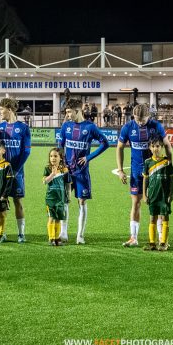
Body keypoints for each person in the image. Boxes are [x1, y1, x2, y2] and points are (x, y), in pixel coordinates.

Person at [117, 104, 172, 247]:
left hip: (155, 171)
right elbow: (120, 147)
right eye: (137, 119)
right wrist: (120, 170)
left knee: (158, 203)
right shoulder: (128, 127)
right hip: (136, 172)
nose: (140, 122)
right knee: (136, 202)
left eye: (143, 119)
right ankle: (133, 237)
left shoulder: (156, 126)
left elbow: (167, 145)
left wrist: (168, 164)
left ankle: (161, 238)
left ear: (149, 116)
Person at [58, 99, 108, 244]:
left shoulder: (90, 127)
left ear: (77, 111)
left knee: (82, 201)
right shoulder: (66, 126)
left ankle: (80, 235)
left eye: (69, 112)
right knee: (65, 201)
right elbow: (60, 145)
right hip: (67, 170)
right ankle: (64, 232)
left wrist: (89, 157)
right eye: (66, 112)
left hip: (82, 171)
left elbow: (104, 143)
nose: (67, 115)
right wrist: (60, 163)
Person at [0, 98, 31, 243]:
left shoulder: (24, 128)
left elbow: (26, 152)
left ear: (10, 110)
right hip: (0, 172)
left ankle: (21, 233)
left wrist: (15, 170)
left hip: (17, 173)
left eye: (2, 109)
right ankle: (2, 233)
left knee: (17, 202)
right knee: (2, 203)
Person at [142, 136, 173, 251]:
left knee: (165, 218)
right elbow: (145, 179)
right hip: (153, 195)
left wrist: (171, 194)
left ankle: (163, 243)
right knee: (152, 218)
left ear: (161, 147)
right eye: (153, 146)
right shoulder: (148, 162)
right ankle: (152, 243)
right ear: (149, 148)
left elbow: (171, 180)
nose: (155, 149)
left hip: (164, 196)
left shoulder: (167, 162)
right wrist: (144, 195)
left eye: (157, 146)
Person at [43, 148, 71, 246]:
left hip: (61, 198)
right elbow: (45, 181)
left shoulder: (65, 170)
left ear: (61, 158)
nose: (53, 158)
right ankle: (51, 238)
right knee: (51, 217)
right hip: (50, 198)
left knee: (58, 218)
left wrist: (69, 196)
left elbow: (68, 184)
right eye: (51, 156)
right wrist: (52, 174)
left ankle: (56, 238)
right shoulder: (47, 168)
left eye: (55, 156)